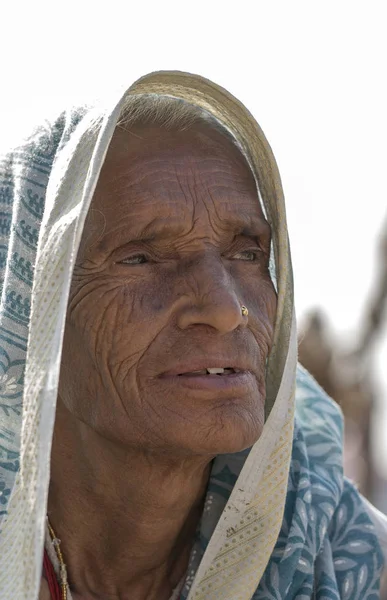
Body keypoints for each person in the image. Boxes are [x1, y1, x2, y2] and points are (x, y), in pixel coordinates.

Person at [0, 71, 386, 600]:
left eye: (248, 253)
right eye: (141, 257)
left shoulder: (346, 563)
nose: (228, 310)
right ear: (30, 312)